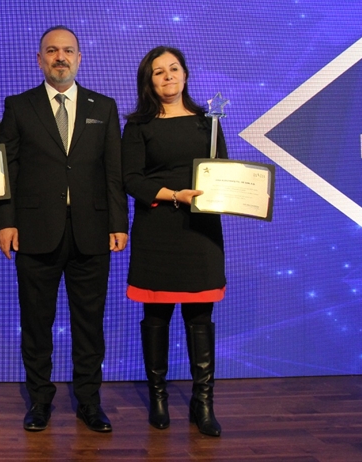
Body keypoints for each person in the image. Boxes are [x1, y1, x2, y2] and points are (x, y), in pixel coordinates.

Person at [0, 26, 129, 433]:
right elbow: (7, 169)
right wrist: (5, 221)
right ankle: (39, 401)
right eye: (52, 51)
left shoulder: (104, 107)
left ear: (79, 58)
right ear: (39, 60)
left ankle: (89, 402)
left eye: (68, 50)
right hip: (34, 231)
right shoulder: (18, 106)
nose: (60, 57)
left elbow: (113, 171)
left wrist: (118, 223)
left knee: (89, 324)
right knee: (36, 324)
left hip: (92, 232)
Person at [121, 46, 227, 437]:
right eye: (158, 72)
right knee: (157, 316)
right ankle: (159, 398)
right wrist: (173, 195)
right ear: (148, 81)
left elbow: (223, 172)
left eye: (174, 68)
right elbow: (131, 179)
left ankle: (203, 403)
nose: (168, 76)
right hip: (157, 230)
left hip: (201, 232)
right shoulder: (138, 126)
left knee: (200, 316)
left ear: (185, 74)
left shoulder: (208, 122)